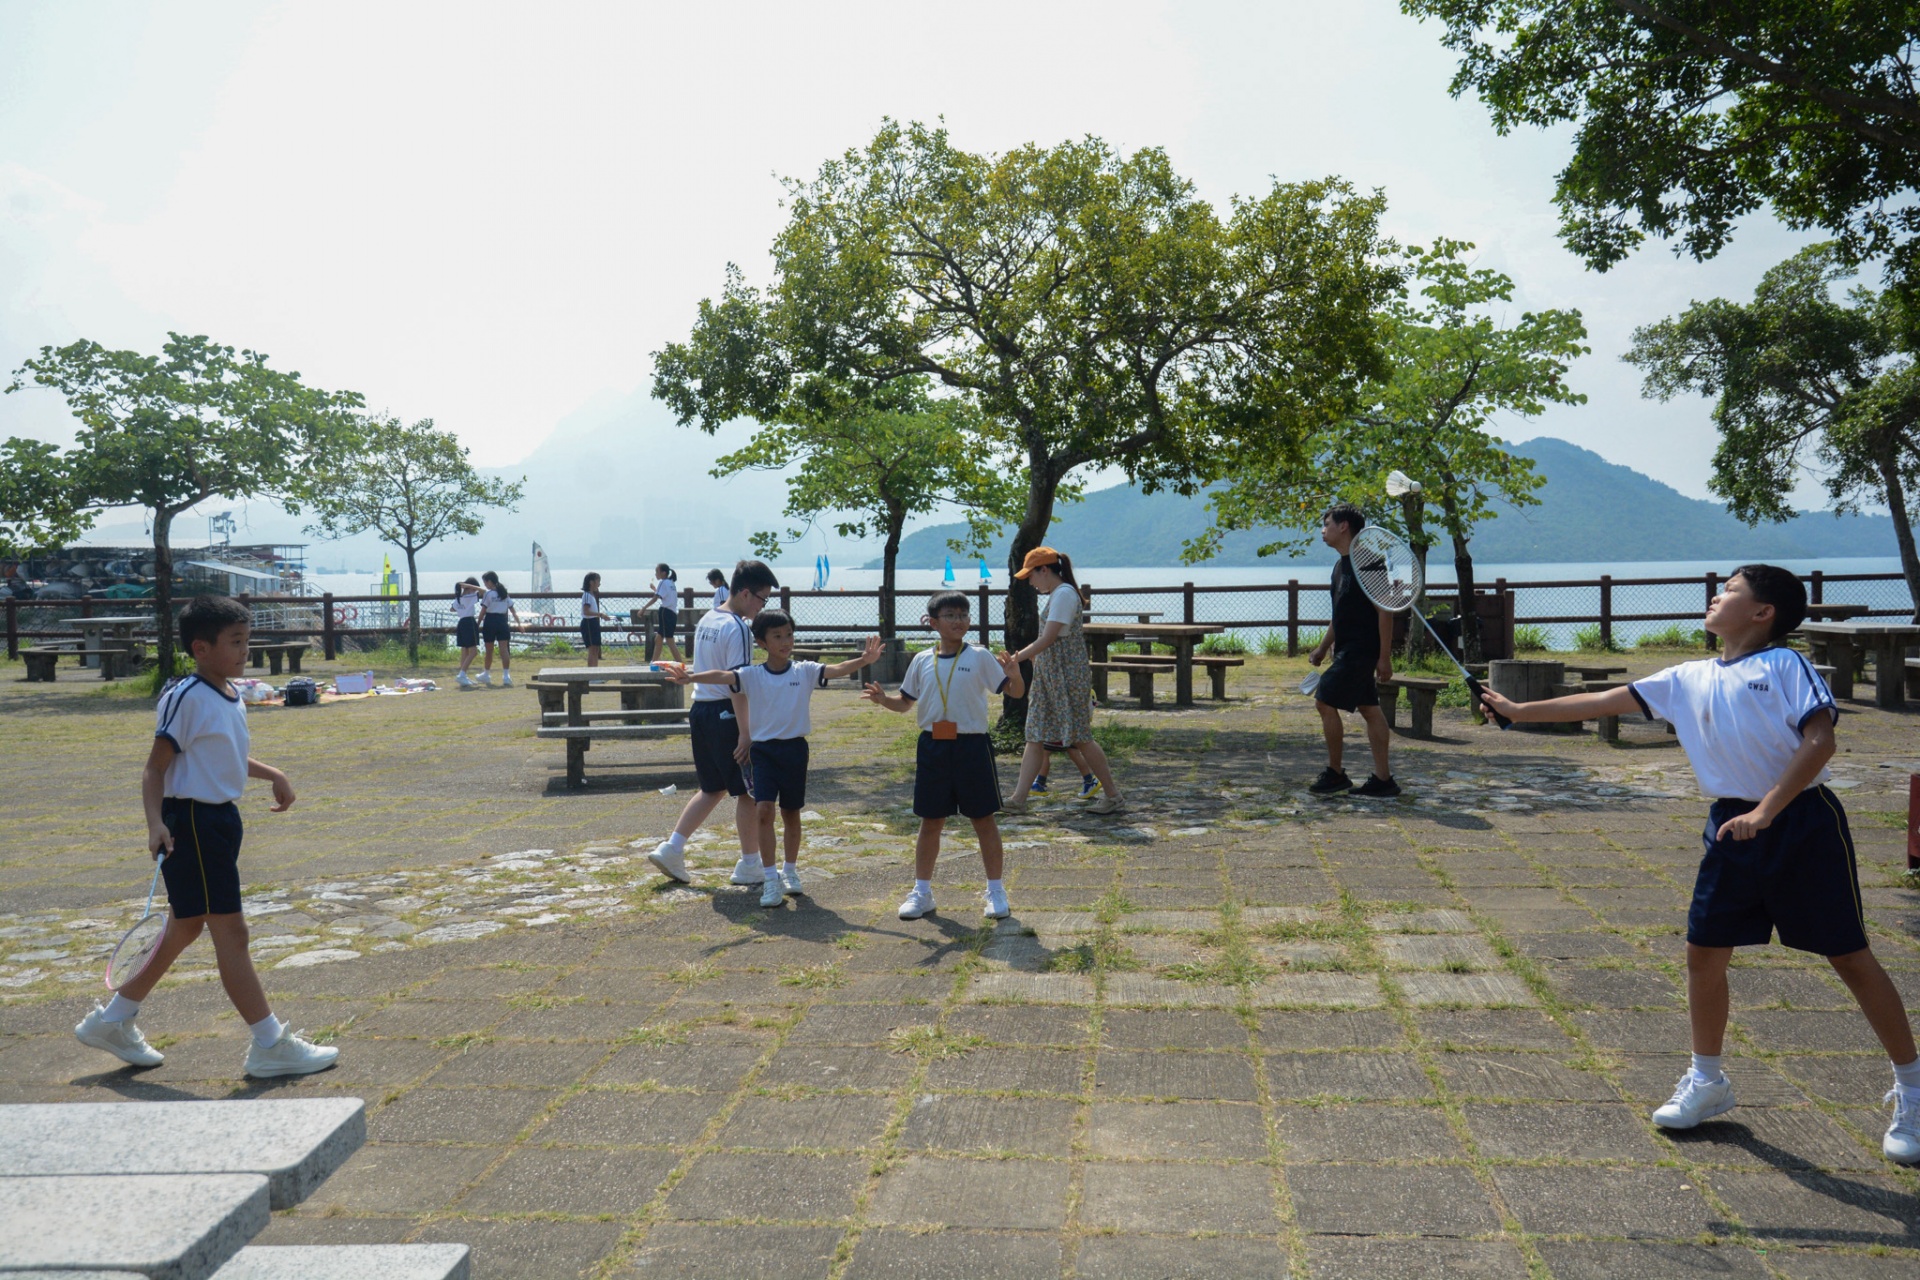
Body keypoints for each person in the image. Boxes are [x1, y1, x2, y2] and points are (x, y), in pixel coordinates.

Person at [1479, 565, 1919, 1164]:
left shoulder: (1785, 666)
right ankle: (1707, 1080)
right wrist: (1516, 710)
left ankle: (1913, 1089)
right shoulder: (1687, 676)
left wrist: (1767, 810)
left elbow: (1821, 741)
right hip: (1731, 827)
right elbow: (1602, 700)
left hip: (1801, 825)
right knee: (1703, 953)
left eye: (1730, 590)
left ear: (1763, 612)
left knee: (1848, 956)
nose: (1716, 596)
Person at [73, 595, 338, 1078]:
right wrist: (155, 823)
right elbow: (155, 769)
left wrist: (272, 773)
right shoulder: (187, 696)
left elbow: (221, 753)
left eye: (247, 640)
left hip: (219, 822)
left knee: (186, 926)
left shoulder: (228, 692)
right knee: (232, 933)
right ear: (200, 648)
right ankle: (269, 1044)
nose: (245, 650)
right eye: (235, 642)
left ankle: (113, 1021)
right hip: (192, 824)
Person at [669, 612, 881, 908]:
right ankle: (771, 879)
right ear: (761, 642)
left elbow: (835, 669)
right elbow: (723, 676)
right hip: (763, 753)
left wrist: (863, 660)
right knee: (764, 811)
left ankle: (790, 871)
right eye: (777, 636)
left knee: (791, 813)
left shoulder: (804, 670)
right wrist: (691, 677)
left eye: (789, 635)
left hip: (795, 751)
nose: (785, 642)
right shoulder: (752, 675)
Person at [862, 590, 1025, 921]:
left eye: (963, 615)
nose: (958, 621)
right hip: (933, 746)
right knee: (931, 819)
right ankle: (922, 892)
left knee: (983, 818)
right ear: (933, 623)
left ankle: (996, 891)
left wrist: (1016, 674)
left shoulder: (979, 656)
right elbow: (905, 703)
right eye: (950, 615)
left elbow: (1015, 692)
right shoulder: (922, 660)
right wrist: (883, 700)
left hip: (972, 746)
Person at [646, 559, 780, 887]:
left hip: (700, 710)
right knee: (748, 792)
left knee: (712, 788)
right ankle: (750, 864)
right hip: (725, 714)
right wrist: (746, 733)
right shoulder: (737, 628)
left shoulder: (709, 618)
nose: (762, 607)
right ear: (746, 593)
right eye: (762, 599)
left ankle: (672, 847)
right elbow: (737, 683)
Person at [1005, 548, 1124, 814]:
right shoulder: (1059, 594)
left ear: (1044, 570)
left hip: (1066, 678)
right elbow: (1048, 642)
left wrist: (1016, 658)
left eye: (1031, 576)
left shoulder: (1064, 594)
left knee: (1080, 737)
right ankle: (1018, 799)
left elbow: (1048, 639)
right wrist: (1032, 660)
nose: (1031, 582)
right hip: (1049, 677)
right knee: (1034, 735)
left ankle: (1113, 796)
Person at [1307, 504, 1398, 797]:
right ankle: (1383, 780)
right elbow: (1340, 614)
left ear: (1343, 526)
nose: (1323, 531)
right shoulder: (1340, 566)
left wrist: (1384, 657)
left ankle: (1336, 774)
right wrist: (1322, 648)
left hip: (1361, 649)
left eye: (1327, 524)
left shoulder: (1369, 564)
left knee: (1324, 700)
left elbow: (1385, 611)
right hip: (1346, 649)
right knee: (1370, 709)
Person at [477, 570, 520, 687]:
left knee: (489, 649)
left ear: (490, 581)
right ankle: (506, 676)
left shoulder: (489, 594)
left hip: (490, 621)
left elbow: (483, 611)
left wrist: (477, 624)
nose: (485, 585)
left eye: (485, 582)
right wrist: (519, 624)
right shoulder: (504, 593)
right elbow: (513, 611)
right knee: (504, 649)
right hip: (502, 622)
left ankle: (486, 673)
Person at [641, 564, 683, 664]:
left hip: (665, 612)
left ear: (663, 573)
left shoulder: (663, 582)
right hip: (672, 613)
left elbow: (655, 598)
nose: (655, 574)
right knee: (659, 638)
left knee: (669, 640)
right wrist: (655, 589)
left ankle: (680, 663)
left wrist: (643, 608)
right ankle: (654, 662)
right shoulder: (671, 583)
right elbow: (664, 595)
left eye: (657, 572)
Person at [1028, 741, 1100, 800]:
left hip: (1052, 731)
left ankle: (1039, 783)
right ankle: (1089, 781)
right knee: (1073, 751)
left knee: (1044, 752)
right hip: (1068, 731)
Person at [452, 577, 483, 688]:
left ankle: (463, 675)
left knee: (464, 650)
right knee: (473, 651)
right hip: (469, 622)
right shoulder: (469, 597)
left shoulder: (458, 598)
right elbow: (483, 591)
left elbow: (452, 609)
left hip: (461, 623)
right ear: (470, 588)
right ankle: (462, 674)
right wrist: (470, 587)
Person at [580, 572, 613, 668]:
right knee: (592, 649)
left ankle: (595, 670)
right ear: (591, 582)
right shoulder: (586, 595)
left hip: (593, 622)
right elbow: (586, 611)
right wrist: (600, 614)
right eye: (598, 581)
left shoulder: (591, 595)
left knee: (596, 649)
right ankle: (591, 672)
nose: (599, 584)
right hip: (588, 623)